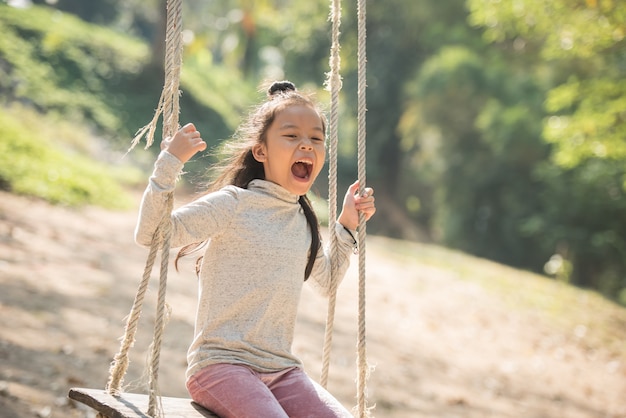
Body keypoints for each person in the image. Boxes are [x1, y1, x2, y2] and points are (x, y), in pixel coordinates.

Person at [135, 80, 376, 418]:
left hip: (282, 371)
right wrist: (170, 162)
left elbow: (328, 281)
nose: (306, 145)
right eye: (291, 136)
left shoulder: (303, 221)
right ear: (261, 151)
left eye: (316, 139)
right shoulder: (234, 204)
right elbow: (153, 234)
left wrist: (347, 223)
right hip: (219, 366)